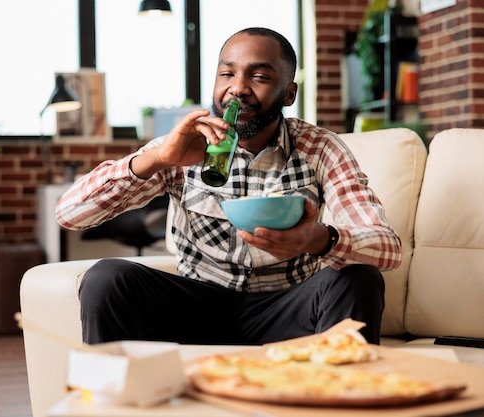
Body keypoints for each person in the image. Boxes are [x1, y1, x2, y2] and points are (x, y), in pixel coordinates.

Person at [55, 27, 402, 346]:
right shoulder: (182, 145)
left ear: (289, 93)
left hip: (284, 310)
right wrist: (157, 159)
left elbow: (387, 247)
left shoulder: (320, 148)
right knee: (108, 278)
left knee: (358, 278)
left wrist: (317, 239)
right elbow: (70, 214)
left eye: (260, 76)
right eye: (227, 74)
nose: (237, 88)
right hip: (195, 308)